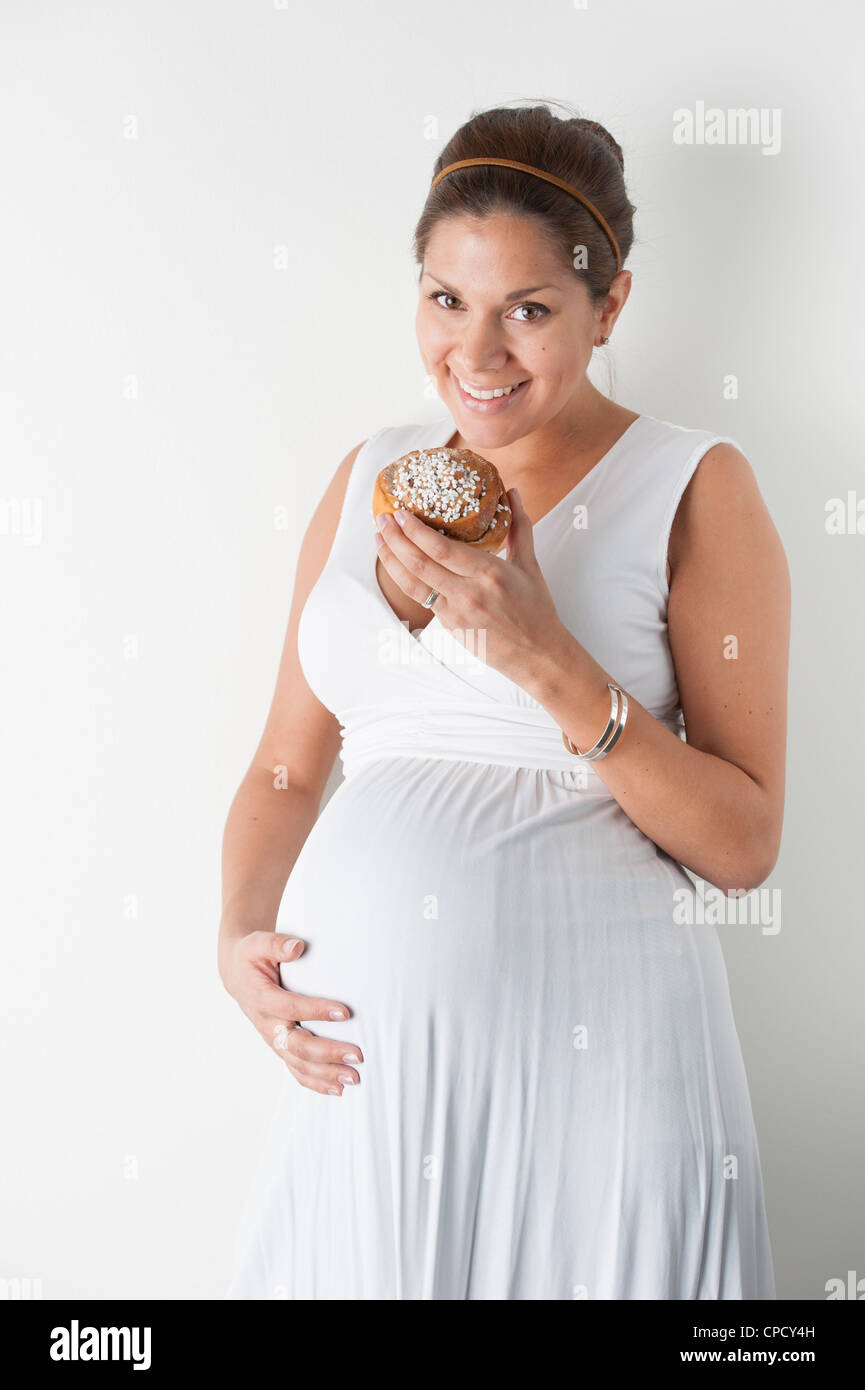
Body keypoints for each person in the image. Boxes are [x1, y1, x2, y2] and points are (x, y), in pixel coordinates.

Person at [219, 103, 788, 1300]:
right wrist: (237, 939)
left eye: (528, 309)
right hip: (368, 1085)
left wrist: (546, 660)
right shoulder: (370, 471)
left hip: (598, 1082)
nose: (475, 355)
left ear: (609, 306)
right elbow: (284, 768)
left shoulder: (693, 484)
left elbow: (742, 845)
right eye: (445, 300)